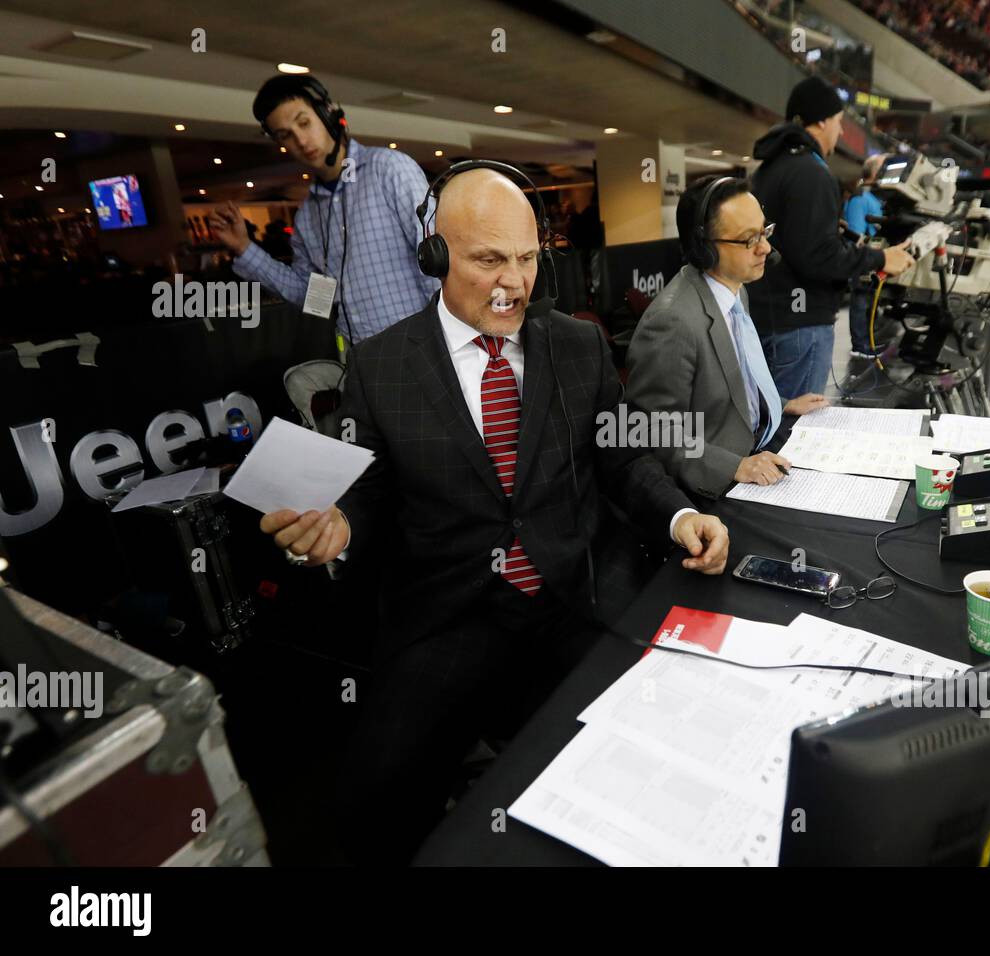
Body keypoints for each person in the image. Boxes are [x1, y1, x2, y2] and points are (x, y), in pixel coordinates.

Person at [259, 167, 730, 863]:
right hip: (448, 616)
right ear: (436, 255)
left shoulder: (578, 346)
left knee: (651, 765)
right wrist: (339, 529)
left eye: (527, 258)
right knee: (374, 804)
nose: (513, 282)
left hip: (573, 599)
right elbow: (368, 491)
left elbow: (625, 460)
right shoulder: (381, 367)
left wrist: (677, 516)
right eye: (488, 259)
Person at [626, 176, 827, 497]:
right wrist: (734, 467)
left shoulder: (734, 289)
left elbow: (734, 385)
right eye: (749, 239)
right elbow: (652, 432)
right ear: (704, 247)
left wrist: (780, 405)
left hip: (762, 440)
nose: (766, 248)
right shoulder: (672, 322)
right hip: (722, 476)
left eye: (764, 232)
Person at [209, 74, 437, 350]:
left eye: (304, 123)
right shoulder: (308, 217)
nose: (301, 141)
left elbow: (438, 265)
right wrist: (244, 248)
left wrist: (441, 347)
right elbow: (316, 300)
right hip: (360, 366)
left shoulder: (388, 170)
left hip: (420, 353)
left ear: (328, 113)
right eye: (286, 136)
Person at [746, 76, 914, 399]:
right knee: (797, 431)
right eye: (838, 122)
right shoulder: (811, 172)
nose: (840, 130)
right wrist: (882, 258)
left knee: (773, 420)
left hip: (771, 319)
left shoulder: (770, 168)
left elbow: (796, 241)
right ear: (821, 121)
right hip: (799, 329)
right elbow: (818, 256)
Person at [843, 155, 889, 360]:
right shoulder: (860, 197)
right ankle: (860, 345)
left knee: (869, 302)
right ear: (872, 171)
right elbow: (855, 233)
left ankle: (866, 342)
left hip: (875, 257)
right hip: (863, 259)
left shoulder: (874, 197)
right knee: (860, 301)